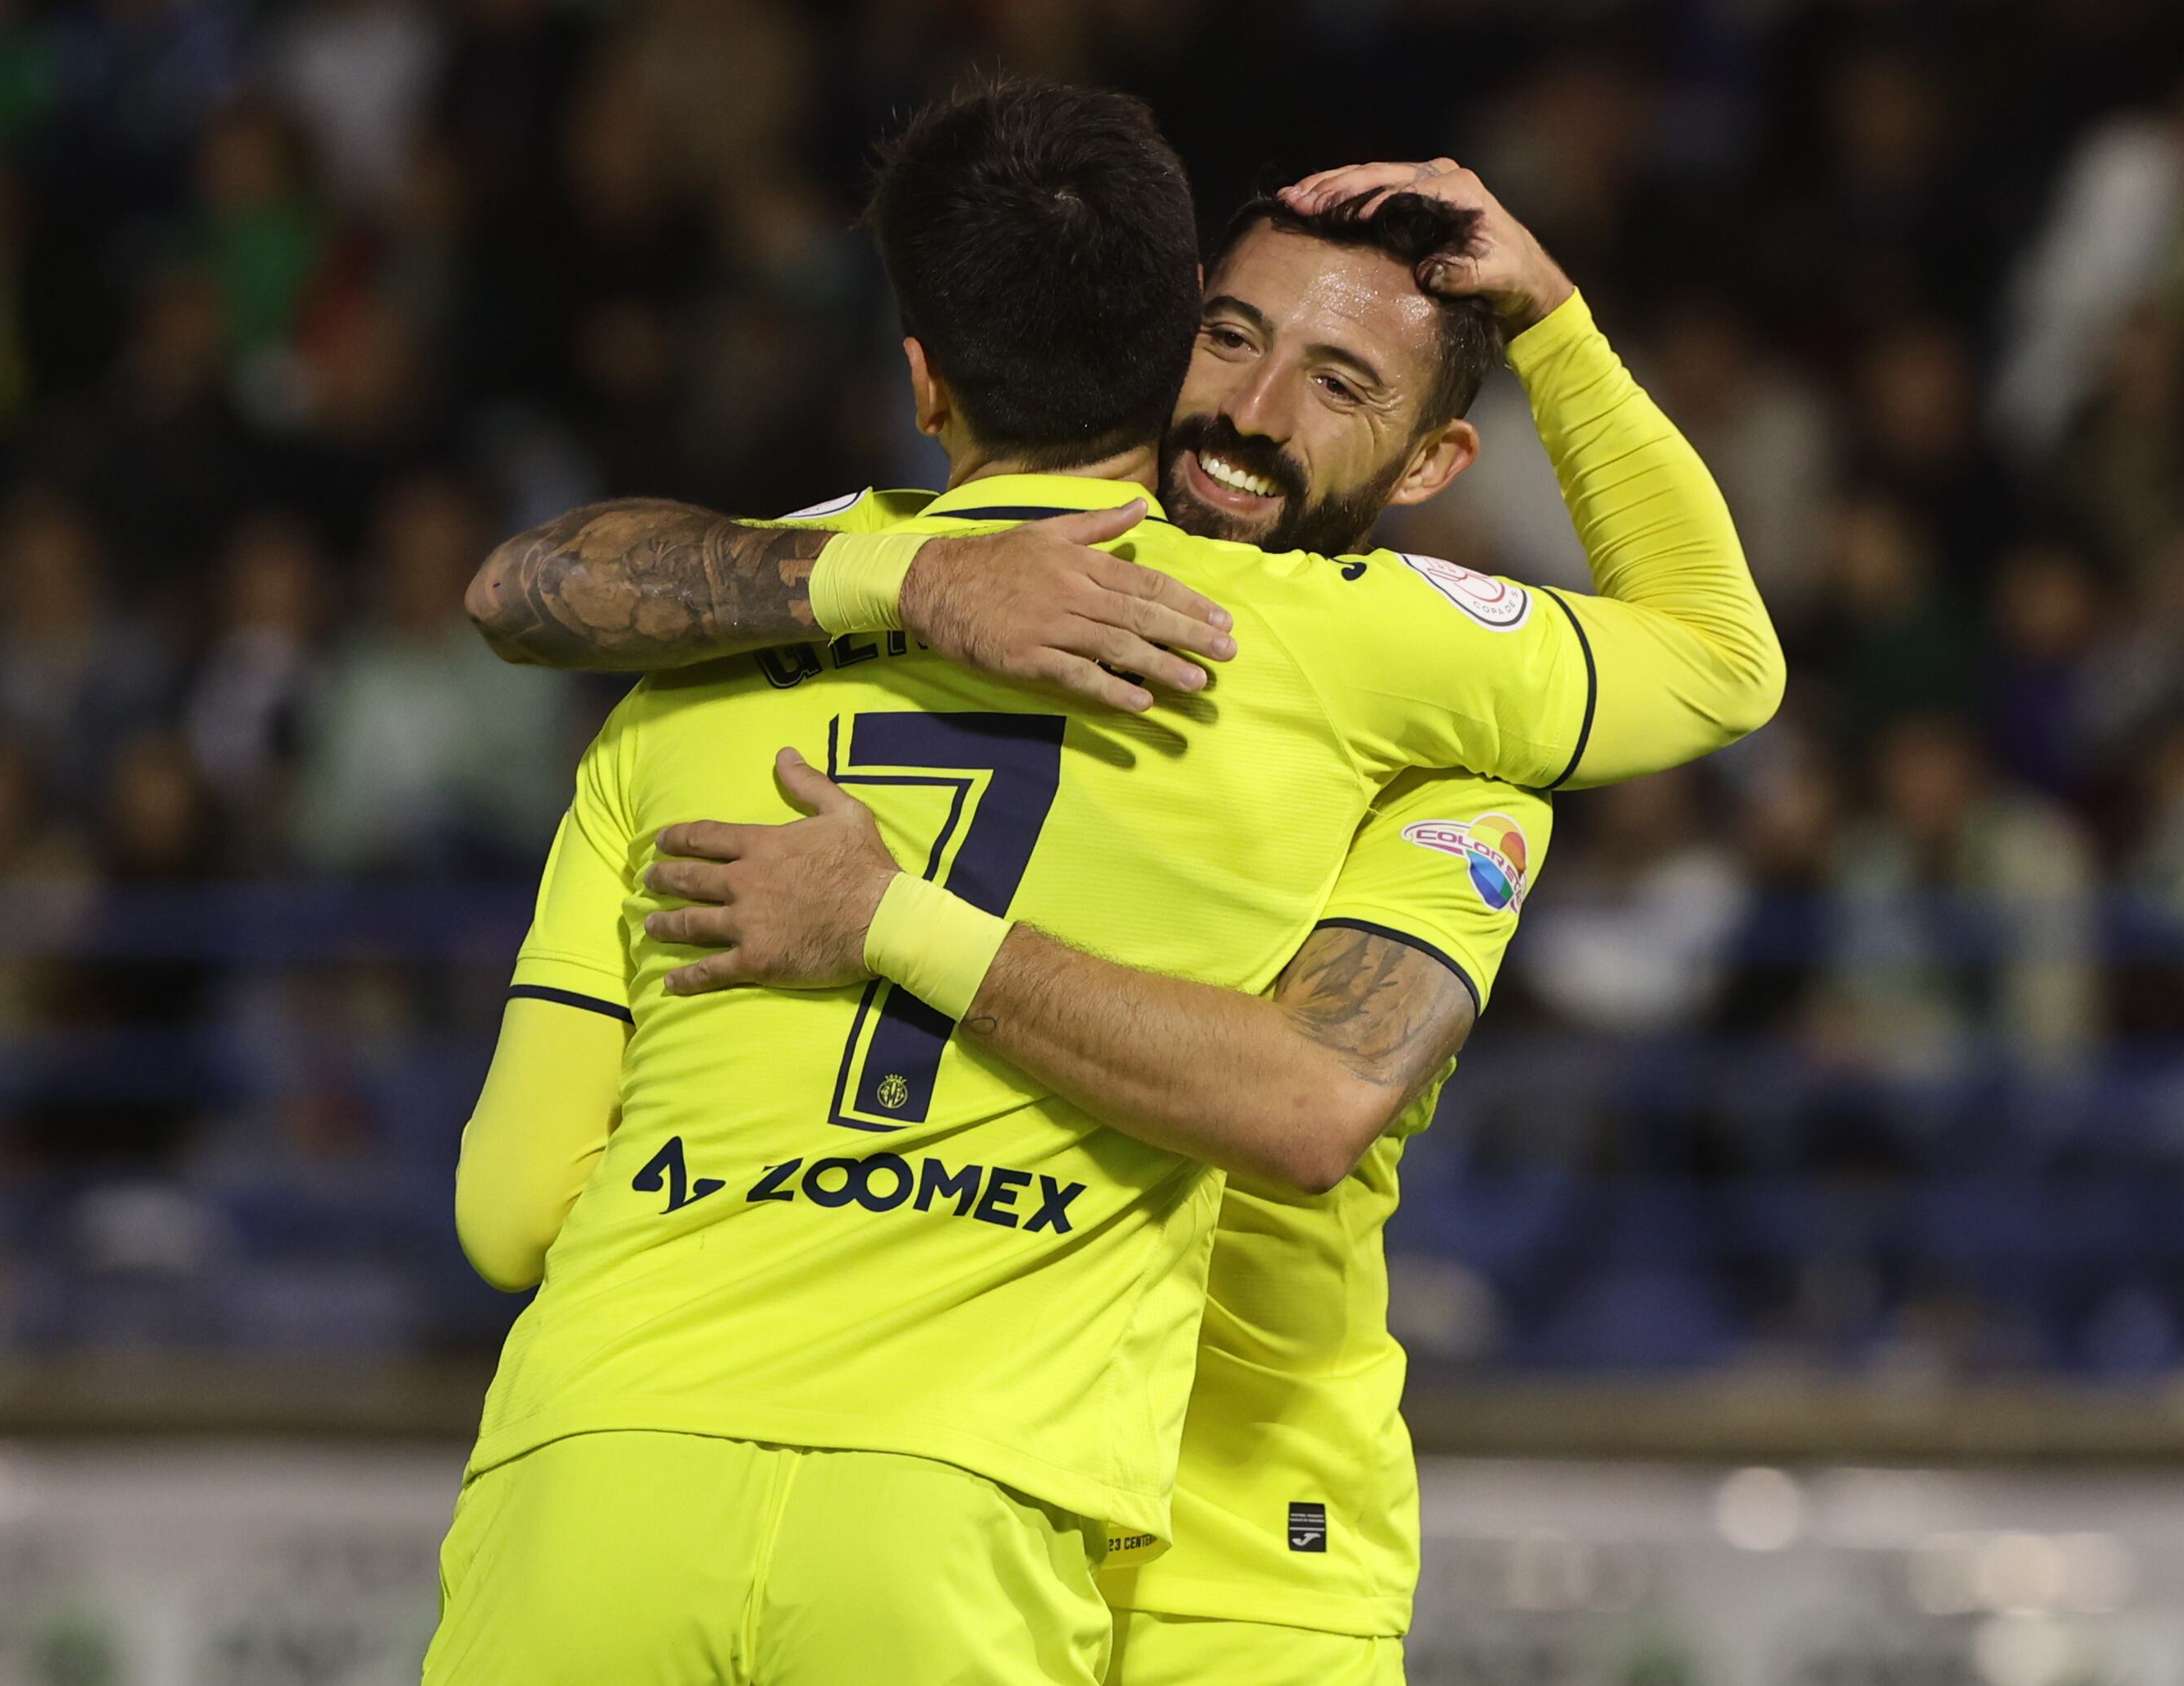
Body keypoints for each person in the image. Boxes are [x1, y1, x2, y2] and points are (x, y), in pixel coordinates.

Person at [429, 81, 1779, 1686]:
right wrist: (924, 577)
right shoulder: (886, 577)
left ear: (1432, 464)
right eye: (1228, 337)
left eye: (1337, 382)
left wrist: (1550, 317)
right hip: (981, 1494)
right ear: (1156, 331)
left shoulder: (1441, 737)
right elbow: (535, 587)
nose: (1252, 410)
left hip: (1232, 1555)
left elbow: (1309, 1101)